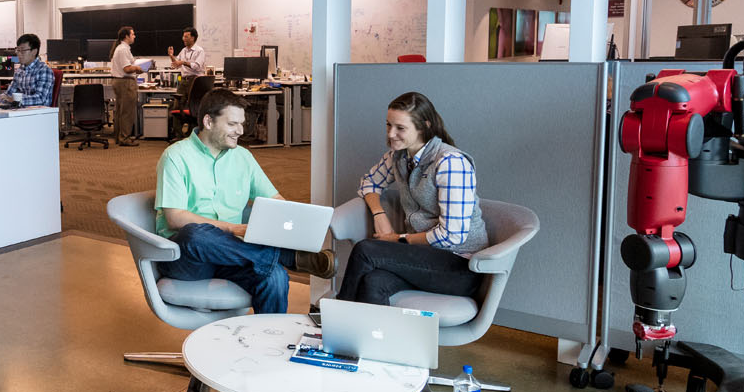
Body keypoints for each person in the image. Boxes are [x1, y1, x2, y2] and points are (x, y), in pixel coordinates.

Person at [154, 89, 330, 315]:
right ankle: (286, 257)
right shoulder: (175, 157)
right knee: (195, 234)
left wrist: (296, 222)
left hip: (232, 255)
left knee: (275, 275)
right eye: (232, 124)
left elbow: (275, 200)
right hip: (187, 259)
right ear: (208, 121)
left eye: (242, 124)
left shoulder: (243, 157)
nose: (241, 130)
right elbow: (175, 218)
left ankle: (269, 344)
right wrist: (234, 228)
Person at [334, 91, 489, 306]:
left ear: (424, 126)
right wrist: (380, 215)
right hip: (424, 257)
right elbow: (369, 182)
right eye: (388, 125)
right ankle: (368, 338)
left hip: (460, 267)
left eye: (400, 128)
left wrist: (398, 238)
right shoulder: (399, 156)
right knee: (373, 282)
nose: (391, 134)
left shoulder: (451, 163)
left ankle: (333, 320)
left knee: (366, 250)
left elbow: (452, 236)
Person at [108, 25, 142, 146]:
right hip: (125, 82)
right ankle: (124, 138)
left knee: (121, 111)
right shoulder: (123, 49)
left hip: (121, 82)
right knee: (127, 112)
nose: (134, 36)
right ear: (126, 36)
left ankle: (120, 137)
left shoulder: (123, 48)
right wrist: (138, 67)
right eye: (132, 34)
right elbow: (127, 69)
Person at [0, 33, 54, 107]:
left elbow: (41, 99)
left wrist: (14, 100)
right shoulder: (19, 71)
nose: (19, 54)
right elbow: (9, 93)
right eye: (18, 50)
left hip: (39, 114)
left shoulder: (44, 70)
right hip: (23, 112)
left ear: (34, 52)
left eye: (22, 50)